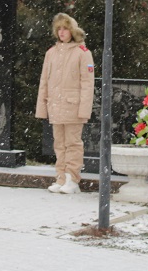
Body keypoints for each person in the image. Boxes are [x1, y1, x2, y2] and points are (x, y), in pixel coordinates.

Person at [35, 13, 94, 194]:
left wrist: (84, 109)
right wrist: (42, 107)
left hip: (73, 107)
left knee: (73, 143)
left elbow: (87, 83)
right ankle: (61, 178)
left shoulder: (83, 53)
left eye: (65, 28)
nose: (62, 32)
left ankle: (72, 179)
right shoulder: (51, 53)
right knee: (59, 144)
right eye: (59, 28)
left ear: (72, 31)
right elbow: (44, 81)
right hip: (55, 106)